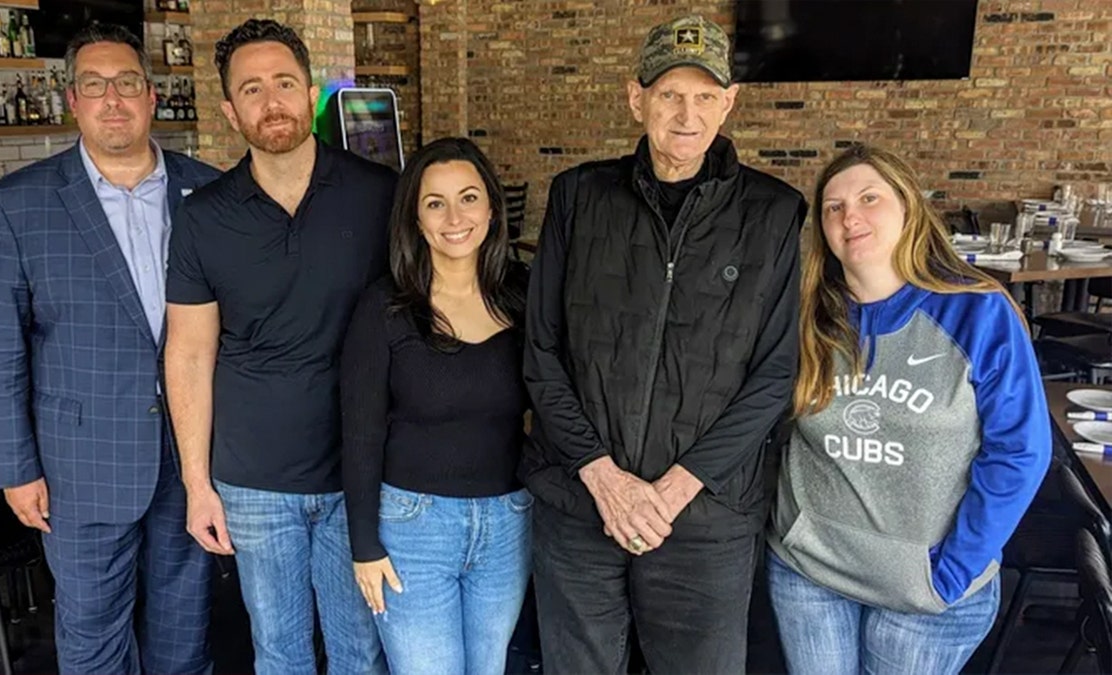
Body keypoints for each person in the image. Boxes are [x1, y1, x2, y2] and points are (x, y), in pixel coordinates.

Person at [521, 14, 806, 674]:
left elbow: (774, 372)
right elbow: (541, 349)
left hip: (704, 518)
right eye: (670, 94)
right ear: (636, 98)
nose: (688, 114)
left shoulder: (773, 212)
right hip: (581, 504)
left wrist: (672, 491)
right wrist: (602, 476)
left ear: (729, 103)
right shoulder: (578, 197)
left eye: (706, 96)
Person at [0, 23, 221, 674]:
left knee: (185, 629)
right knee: (93, 637)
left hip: (193, 458)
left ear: (152, 96)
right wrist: (16, 468)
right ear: (72, 101)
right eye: (94, 84)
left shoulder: (213, 191)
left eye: (128, 82)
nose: (113, 98)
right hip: (79, 465)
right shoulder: (16, 206)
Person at [766, 143, 1052, 674]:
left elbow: (1020, 452)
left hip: (926, 587)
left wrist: (952, 572)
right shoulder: (805, 316)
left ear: (907, 207)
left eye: (869, 197)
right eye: (834, 206)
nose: (850, 216)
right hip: (811, 571)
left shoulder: (978, 312)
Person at [164, 19, 393, 675]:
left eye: (284, 83)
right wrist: (195, 482)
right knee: (280, 651)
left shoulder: (378, 195)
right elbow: (188, 351)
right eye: (253, 89)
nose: (272, 102)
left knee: (359, 651)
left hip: (358, 471)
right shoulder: (203, 215)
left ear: (312, 92)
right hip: (253, 481)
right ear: (231, 110)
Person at [341, 137, 531, 674]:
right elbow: (360, 431)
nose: (454, 217)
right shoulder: (385, 305)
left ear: (492, 209)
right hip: (412, 529)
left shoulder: (524, 295)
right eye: (435, 203)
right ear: (416, 220)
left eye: (469, 198)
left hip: (508, 521)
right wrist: (363, 545)